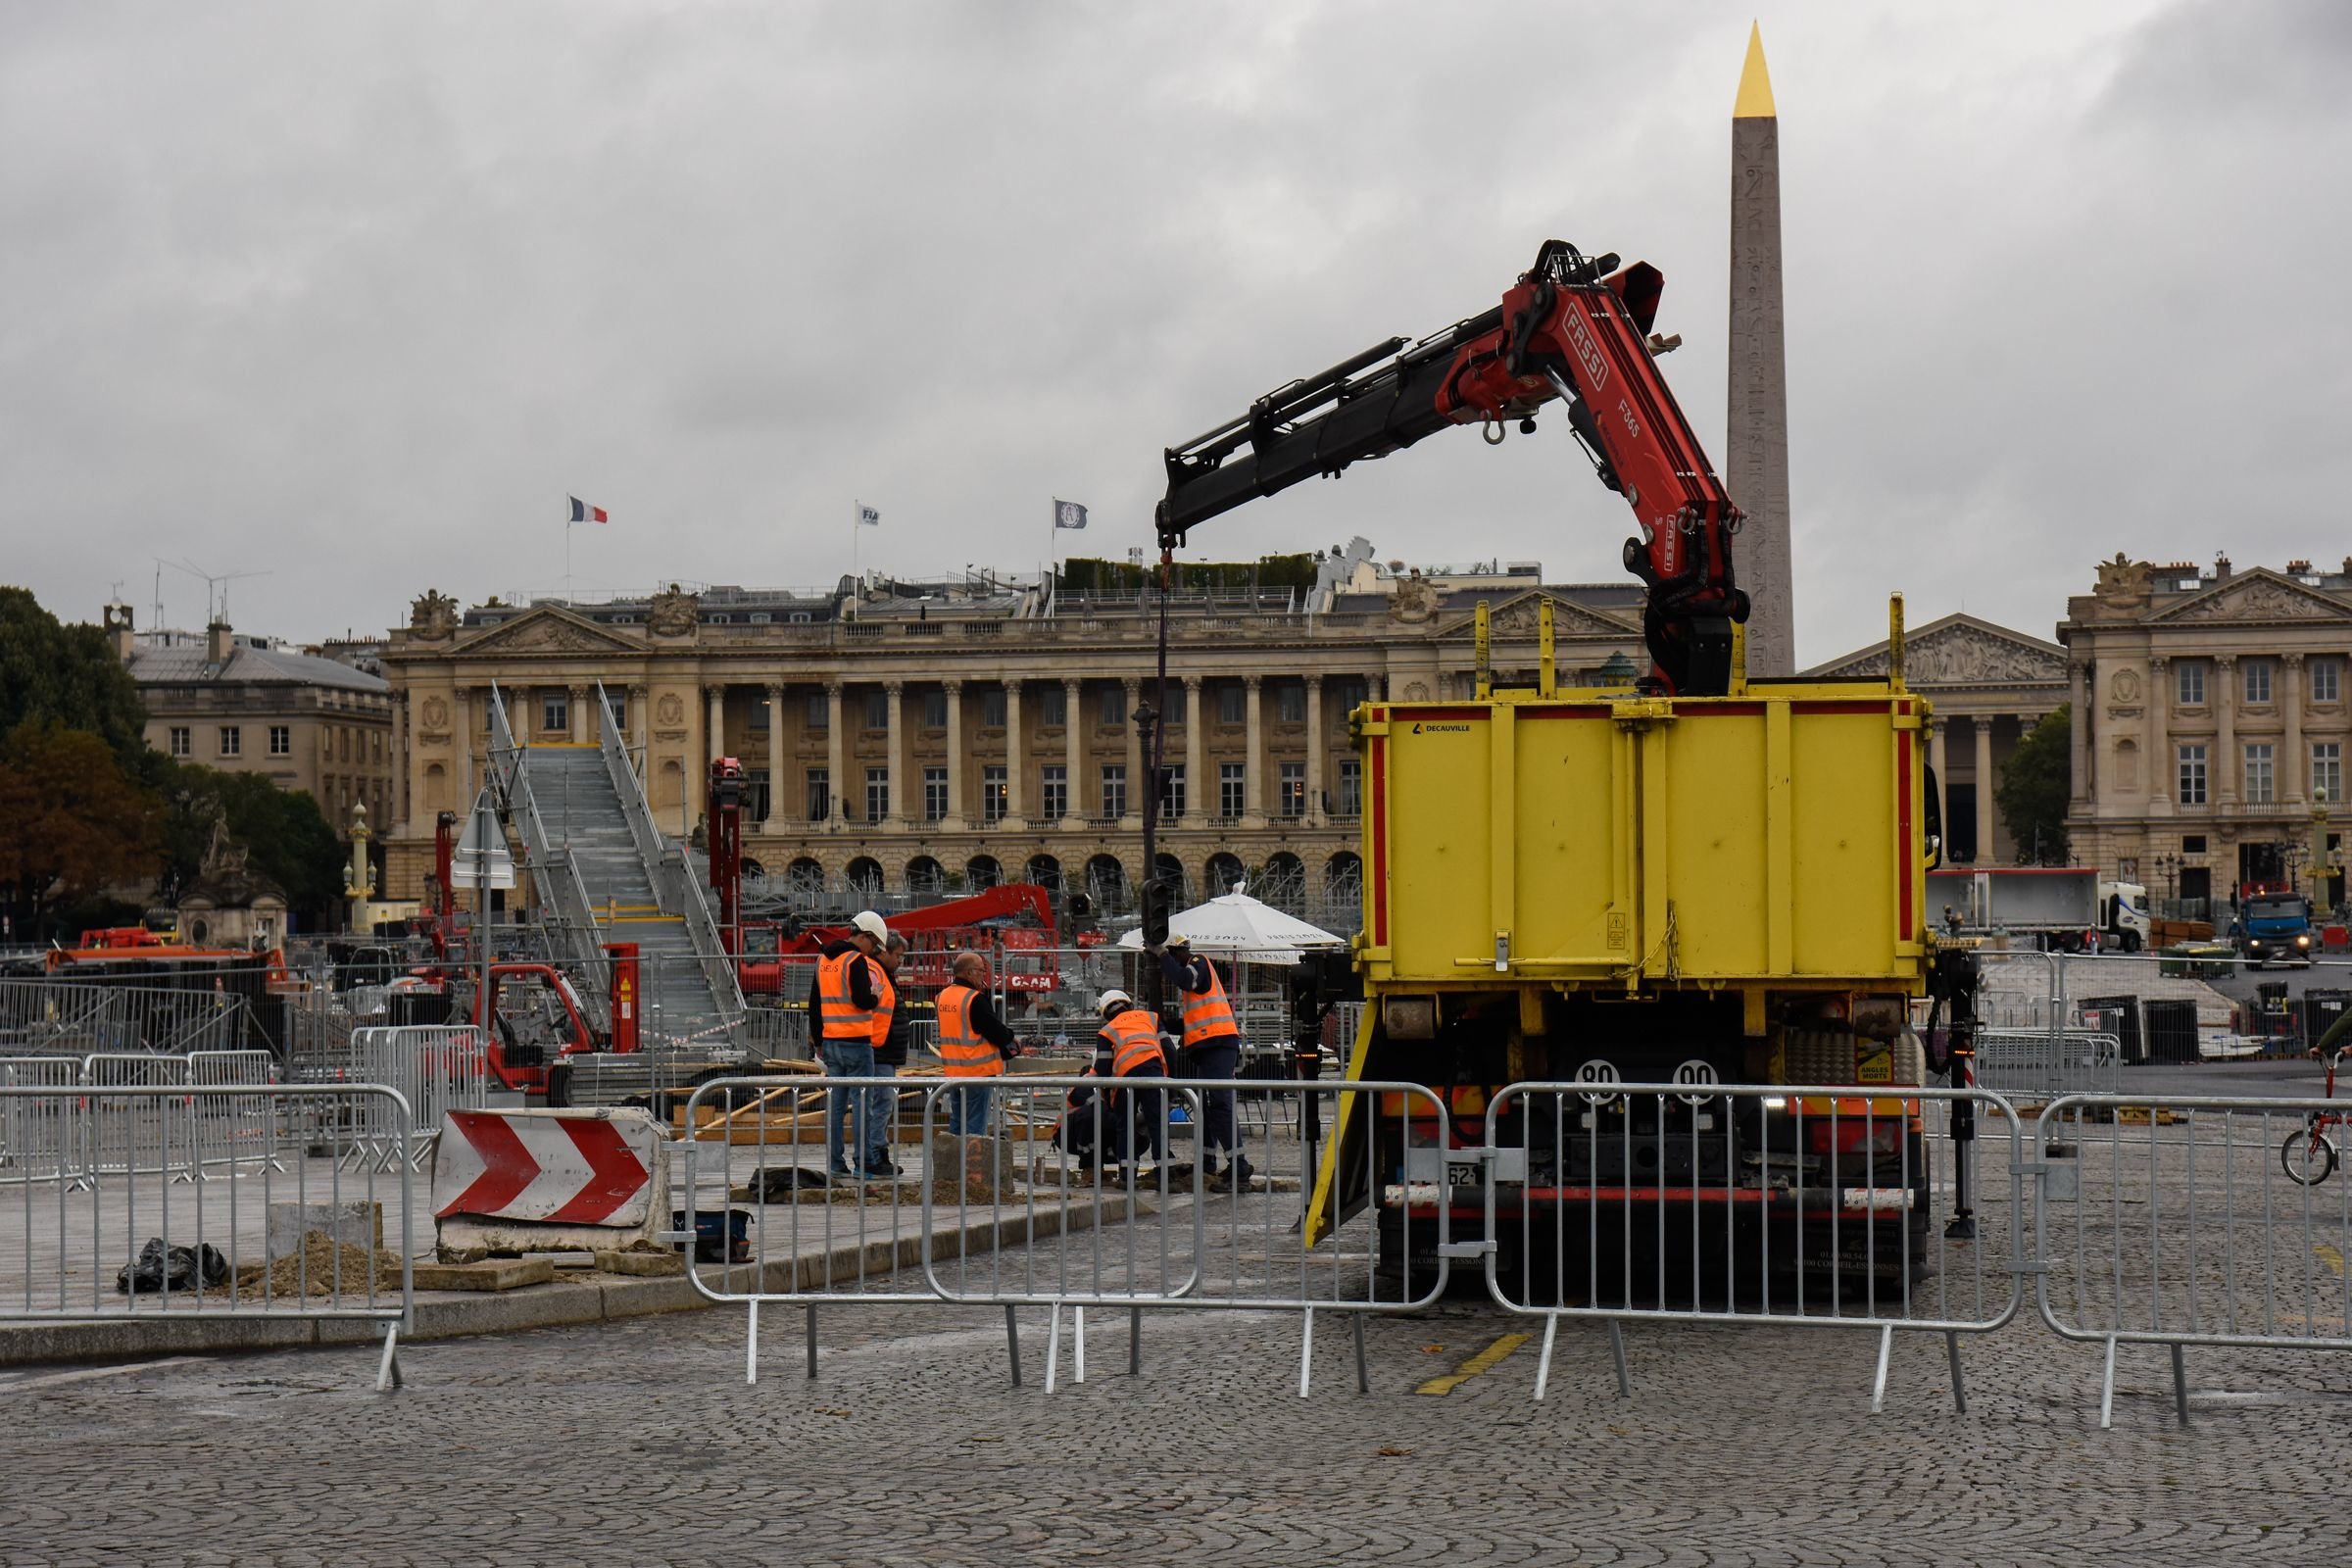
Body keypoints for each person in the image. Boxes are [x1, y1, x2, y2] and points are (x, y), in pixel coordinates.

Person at [1159, 936, 1252, 1192]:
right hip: (1209, 1047)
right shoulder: (1194, 980)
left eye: (1172, 955)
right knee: (1208, 1107)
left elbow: (1184, 978)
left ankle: (1239, 1166)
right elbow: (1192, 1020)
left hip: (1218, 1044)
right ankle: (1208, 1162)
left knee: (1220, 1104)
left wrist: (1162, 957)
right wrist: (1161, 1023)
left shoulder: (1198, 962)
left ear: (1178, 950)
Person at [808, 909, 890, 1180]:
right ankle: (863, 1163)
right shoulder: (855, 960)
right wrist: (875, 994)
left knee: (836, 1107)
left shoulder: (823, 960)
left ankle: (835, 1163)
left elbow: (814, 1005)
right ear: (865, 936)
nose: (874, 950)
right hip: (857, 1043)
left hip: (831, 1043)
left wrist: (819, 1041)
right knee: (862, 1106)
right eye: (875, 944)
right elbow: (862, 1001)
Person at [936, 950, 1021, 1136]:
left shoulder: (942, 997)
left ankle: (955, 1162)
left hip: (953, 1072)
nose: (984, 975)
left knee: (957, 1122)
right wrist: (1011, 1038)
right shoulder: (974, 999)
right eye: (981, 970)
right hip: (977, 1072)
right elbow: (995, 1030)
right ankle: (972, 1163)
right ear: (968, 972)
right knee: (975, 1125)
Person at [1094, 988, 1169, 1174]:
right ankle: (1166, 1176)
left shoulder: (1106, 1031)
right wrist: (1171, 1085)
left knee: (1125, 1126)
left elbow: (1102, 1069)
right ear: (1129, 1004)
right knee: (1157, 1123)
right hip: (1153, 1072)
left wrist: (1108, 1098)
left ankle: (1127, 1176)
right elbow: (1169, 1050)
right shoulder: (1151, 1018)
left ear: (1106, 1014)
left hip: (1124, 1078)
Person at [864, 931, 909, 1177]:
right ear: (884, 952)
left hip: (884, 1049)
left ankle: (877, 1151)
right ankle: (874, 1153)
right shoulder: (875, 972)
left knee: (882, 1102)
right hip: (879, 1048)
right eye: (898, 955)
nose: (901, 960)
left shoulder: (884, 973)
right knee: (881, 1102)